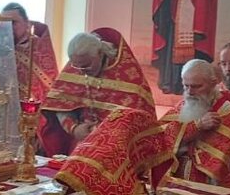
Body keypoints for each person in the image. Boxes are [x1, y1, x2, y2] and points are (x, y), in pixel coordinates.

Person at [38, 28, 155, 157]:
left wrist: (103, 134)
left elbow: (136, 120)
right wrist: (74, 128)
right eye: (77, 66)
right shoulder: (76, 65)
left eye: (87, 65)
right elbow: (59, 104)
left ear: (100, 53)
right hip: (80, 145)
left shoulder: (128, 74)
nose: (82, 71)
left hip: (115, 150)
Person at [161, 59, 230, 187]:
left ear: (213, 83)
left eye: (196, 86)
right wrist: (196, 126)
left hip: (209, 181)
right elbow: (161, 138)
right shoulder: (182, 106)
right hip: (177, 177)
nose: (190, 92)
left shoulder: (226, 108)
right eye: (186, 86)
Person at [2, 2, 59, 102]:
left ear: (26, 22)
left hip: (30, 109)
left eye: (13, 22)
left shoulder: (39, 49)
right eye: (4, 23)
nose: (8, 27)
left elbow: (47, 86)